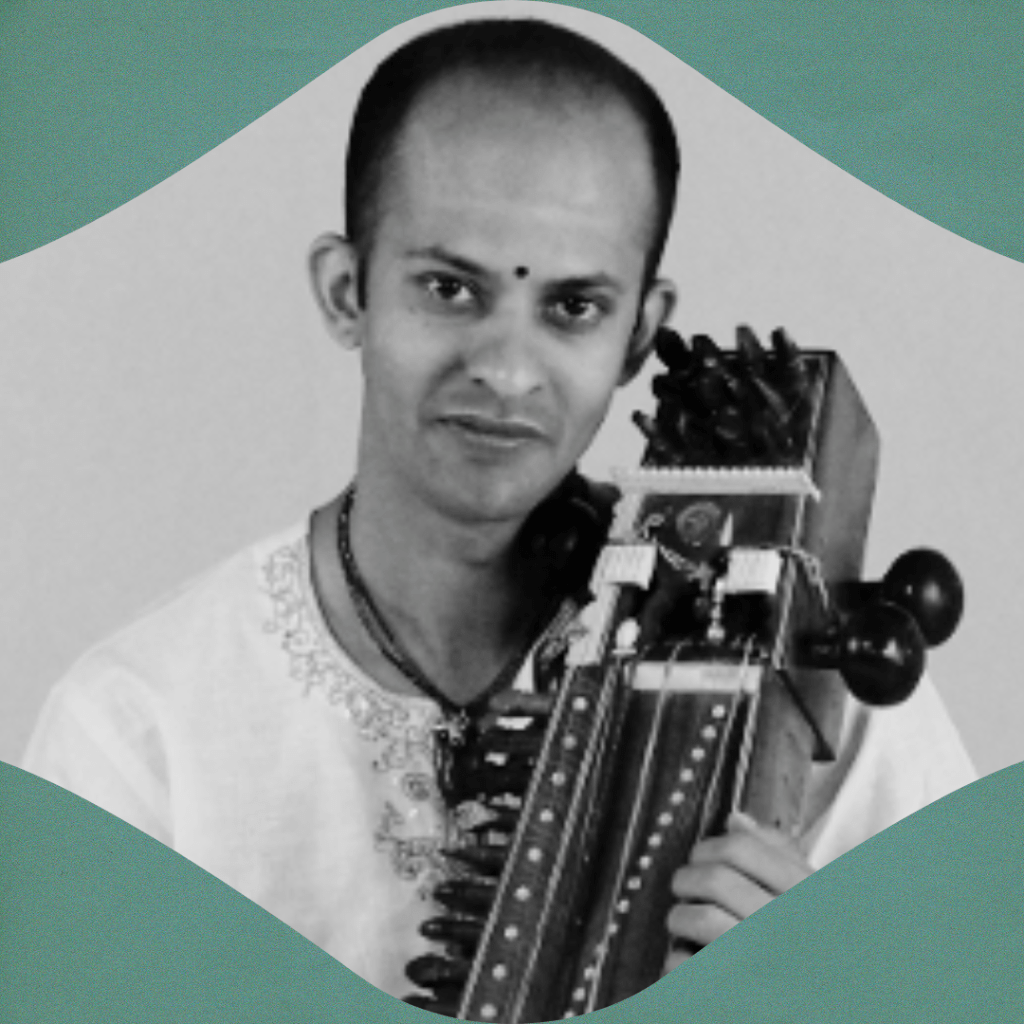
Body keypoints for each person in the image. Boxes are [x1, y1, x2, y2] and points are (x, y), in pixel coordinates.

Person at [22, 15, 974, 1006]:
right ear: (347, 292)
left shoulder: (805, 674)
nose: (508, 370)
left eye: (573, 307)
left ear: (640, 333)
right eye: (449, 288)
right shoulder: (141, 731)